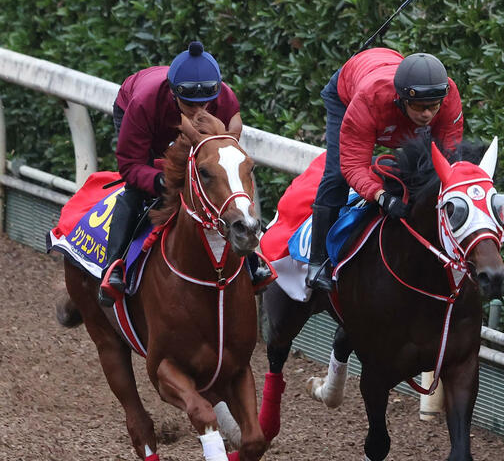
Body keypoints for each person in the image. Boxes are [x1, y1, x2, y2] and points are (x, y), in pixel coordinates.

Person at [98, 40, 271, 306]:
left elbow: (227, 156)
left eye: (206, 104)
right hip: (138, 109)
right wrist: (160, 180)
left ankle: (251, 261)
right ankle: (114, 268)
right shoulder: (145, 104)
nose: (199, 111)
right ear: (173, 93)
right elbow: (130, 165)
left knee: (222, 189)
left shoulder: (224, 99)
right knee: (136, 192)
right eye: (190, 105)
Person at [306, 48, 464, 291]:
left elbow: (446, 162)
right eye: (419, 107)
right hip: (349, 92)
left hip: (387, 68)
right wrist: (380, 196)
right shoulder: (370, 99)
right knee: (337, 173)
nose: (427, 115)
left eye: (433, 107)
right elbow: (353, 165)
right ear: (401, 99)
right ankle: (317, 262)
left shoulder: (449, 96)